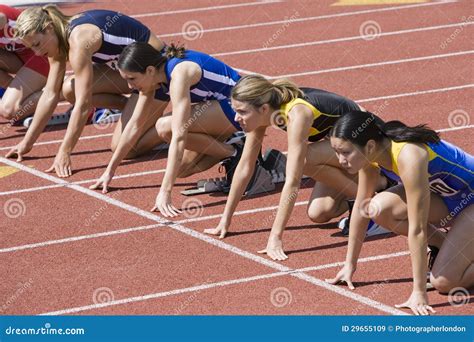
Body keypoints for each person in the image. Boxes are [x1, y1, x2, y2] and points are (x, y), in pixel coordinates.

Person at [204, 74, 389, 260]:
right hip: (343, 152)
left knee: (303, 160)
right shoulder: (262, 115)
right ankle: (376, 190)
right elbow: (245, 166)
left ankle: (374, 200)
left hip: (370, 145)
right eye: (234, 110)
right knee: (319, 213)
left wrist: (275, 237)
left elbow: (293, 182)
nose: (236, 118)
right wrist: (225, 220)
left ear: (264, 109)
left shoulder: (297, 113)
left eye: (242, 112)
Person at [326, 110, 473, 315]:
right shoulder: (371, 155)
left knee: (443, 282)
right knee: (378, 208)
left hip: (470, 201)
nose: (340, 160)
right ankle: (444, 246)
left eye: (345, 152)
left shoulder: (409, 156)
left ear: (369, 146)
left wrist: (419, 292)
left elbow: (418, 228)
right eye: (336, 151)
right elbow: (361, 206)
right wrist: (349, 265)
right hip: (451, 199)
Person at [90, 42, 244, 217]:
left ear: (149, 70)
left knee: (165, 127)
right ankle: (235, 152)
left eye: (131, 79)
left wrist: (165, 192)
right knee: (182, 170)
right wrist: (110, 171)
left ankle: (238, 152)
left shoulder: (178, 75)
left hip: (240, 106)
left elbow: (179, 135)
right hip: (218, 109)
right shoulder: (153, 80)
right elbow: (134, 124)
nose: (130, 86)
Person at [7, 6, 166, 174]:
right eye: (32, 48)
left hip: (154, 75)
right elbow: (50, 94)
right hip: (130, 76)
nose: (37, 53)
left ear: (49, 28)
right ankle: (129, 106)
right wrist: (27, 142)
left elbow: (84, 104)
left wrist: (65, 151)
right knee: (70, 89)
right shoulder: (58, 37)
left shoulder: (79, 40)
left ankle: (169, 127)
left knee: (124, 147)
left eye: (37, 44)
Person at [0, 5, 48, 125]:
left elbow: (1, 18)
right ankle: (25, 98)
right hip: (20, 56)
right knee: (11, 108)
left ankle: (63, 89)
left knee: (8, 111)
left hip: (42, 56)